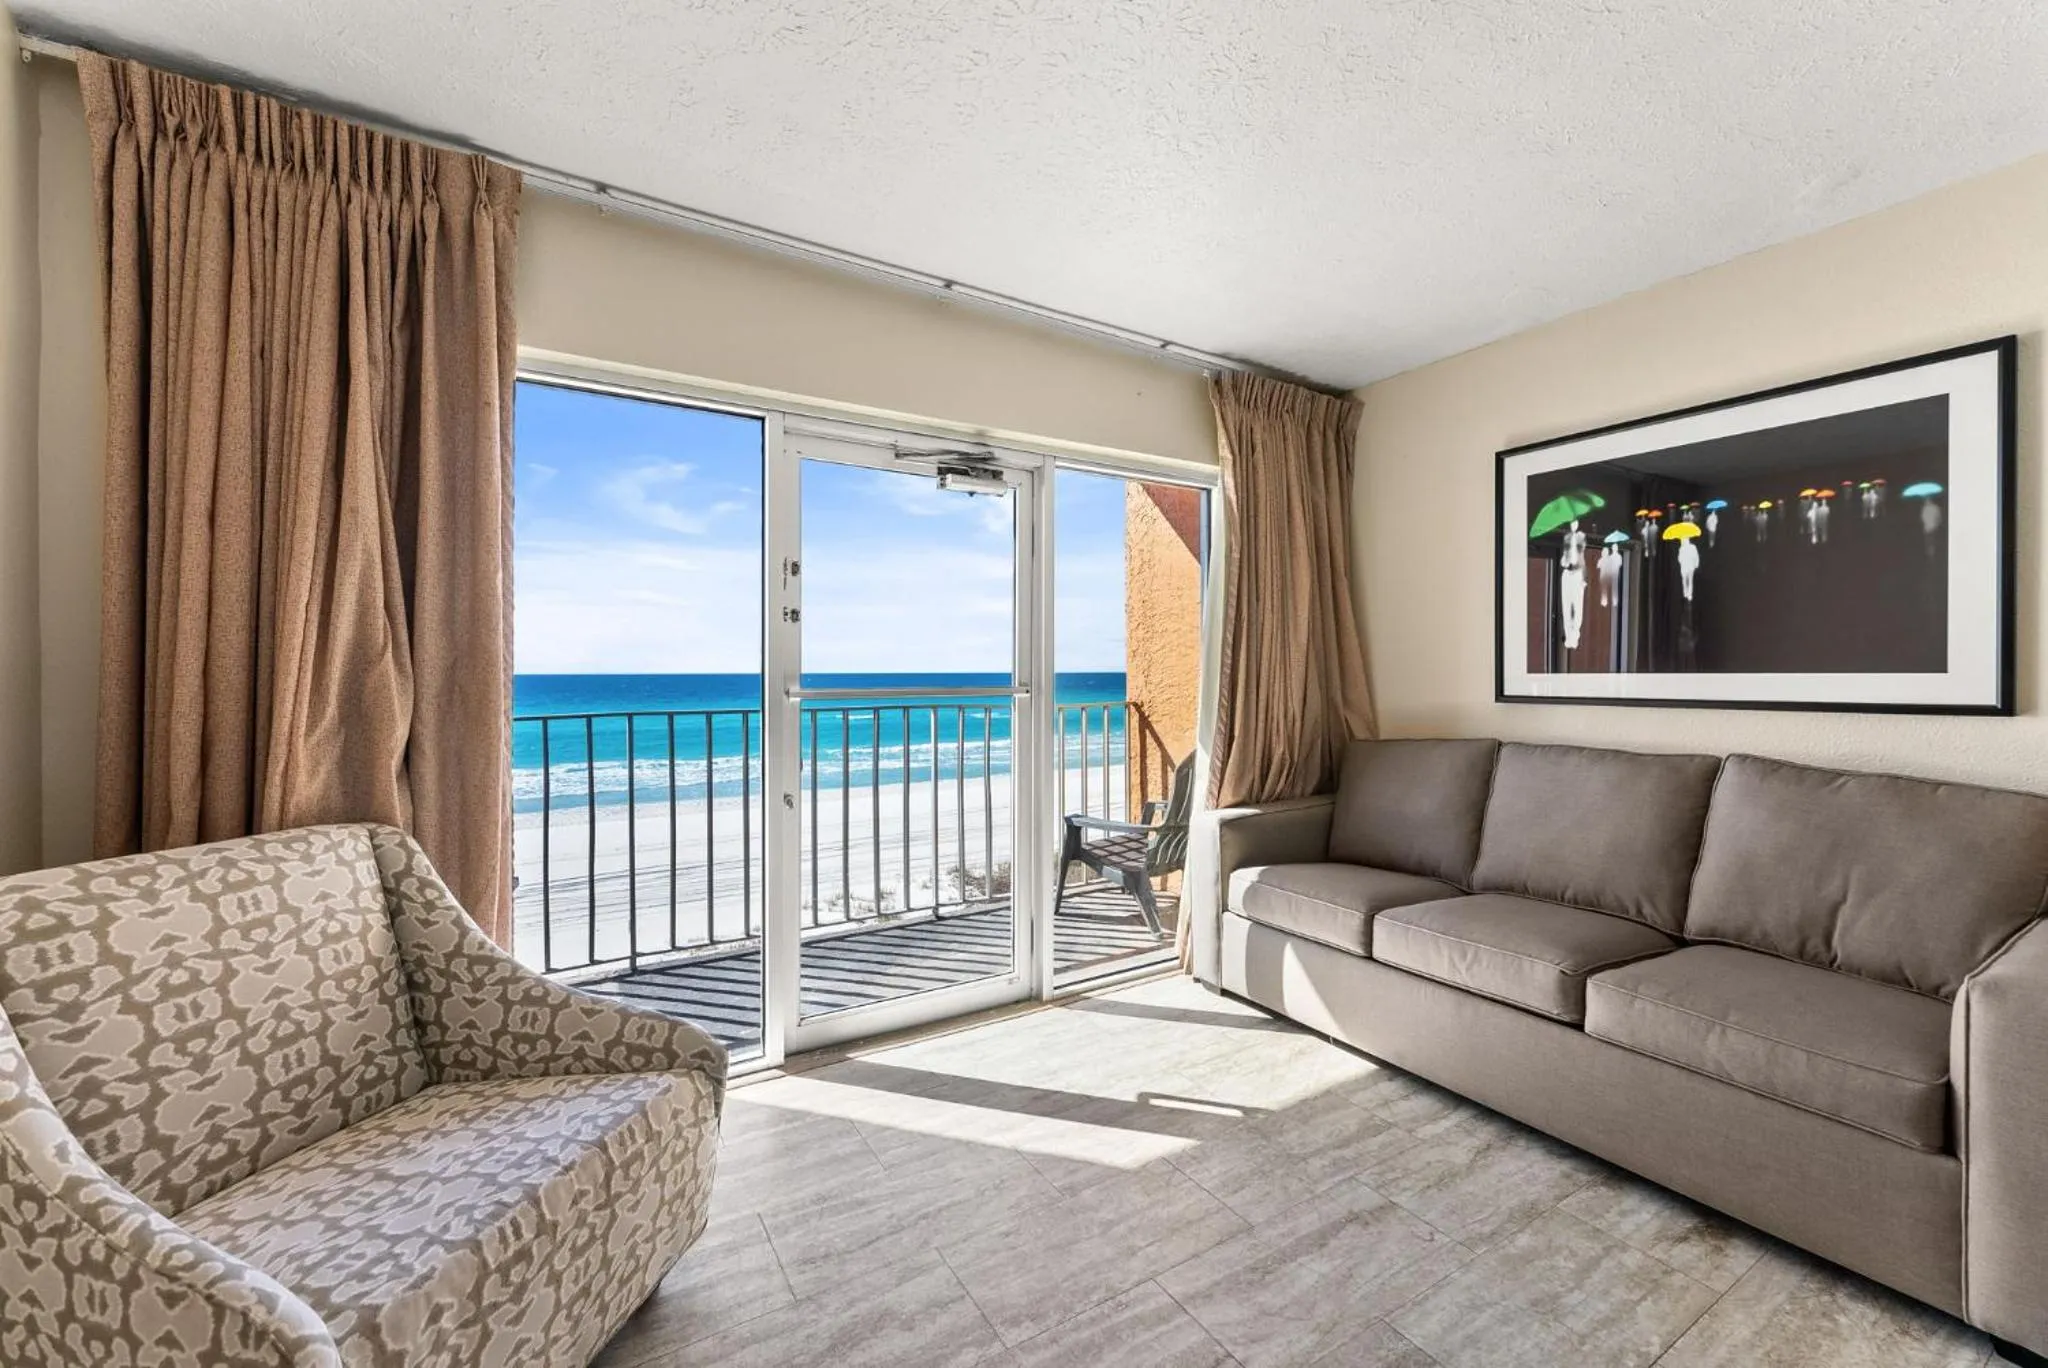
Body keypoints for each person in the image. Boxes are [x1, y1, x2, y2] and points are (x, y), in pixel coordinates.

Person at [1559, 519, 1589, 651]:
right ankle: (1569, 636)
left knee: (1577, 607)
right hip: (1567, 572)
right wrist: (1565, 561)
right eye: (1572, 523)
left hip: (1577, 573)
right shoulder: (1567, 537)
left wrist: (1584, 577)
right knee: (1566, 606)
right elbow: (1565, 555)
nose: (1573, 525)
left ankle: (1574, 635)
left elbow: (1582, 558)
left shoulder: (1581, 537)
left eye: (1575, 523)